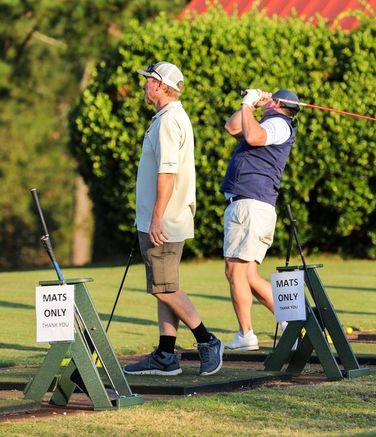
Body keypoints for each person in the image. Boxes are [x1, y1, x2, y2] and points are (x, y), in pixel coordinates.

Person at [123, 61, 223, 376]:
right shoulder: (170, 117)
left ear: (159, 85)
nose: (143, 85)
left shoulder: (168, 121)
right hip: (166, 219)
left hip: (164, 221)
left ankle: (207, 340)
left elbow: (167, 173)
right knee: (163, 285)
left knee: (164, 288)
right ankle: (166, 355)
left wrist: (155, 218)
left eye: (147, 80)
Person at [220, 88, 300, 350]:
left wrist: (248, 103)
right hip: (253, 205)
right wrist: (250, 105)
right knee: (249, 276)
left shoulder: (278, 123)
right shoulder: (269, 120)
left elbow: (252, 137)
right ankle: (294, 326)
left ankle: (246, 335)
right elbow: (232, 127)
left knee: (235, 271)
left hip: (250, 205)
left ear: (276, 104)